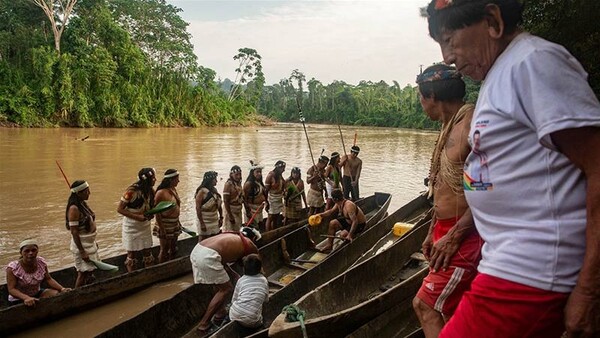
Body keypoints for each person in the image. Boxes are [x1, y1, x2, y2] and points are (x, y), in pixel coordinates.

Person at [426, 1, 600, 337]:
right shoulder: (501, 73)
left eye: (449, 40)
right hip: (508, 264)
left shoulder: (533, 62)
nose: (447, 57)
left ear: (492, 20)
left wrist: (590, 289)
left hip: (533, 273)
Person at [411, 64, 482, 338]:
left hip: (464, 234)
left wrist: (453, 237)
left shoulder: (471, 128)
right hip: (445, 230)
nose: (421, 104)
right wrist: (432, 231)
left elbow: (485, 194)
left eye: (420, 97)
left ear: (432, 96)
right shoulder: (447, 128)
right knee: (452, 309)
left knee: (424, 305)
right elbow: (442, 187)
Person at [190, 227, 261, 336]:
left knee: (219, 284)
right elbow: (258, 266)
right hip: (208, 256)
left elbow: (222, 260)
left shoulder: (232, 237)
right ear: (254, 238)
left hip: (197, 251)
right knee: (226, 289)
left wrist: (233, 273)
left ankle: (220, 313)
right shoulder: (250, 244)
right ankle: (204, 324)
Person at [6, 239, 71, 306]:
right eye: (27, 251)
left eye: (33, 250)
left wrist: (62, 288)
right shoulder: (13, 268)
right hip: (19, 298)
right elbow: (11, 289)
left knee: (56, 294)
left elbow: (48, 279)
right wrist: (26, 298)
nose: (30, 253)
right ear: (21, 252)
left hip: (37, 292)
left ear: (37, 251)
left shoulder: (41, 262)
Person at [117, 167, 156, 272]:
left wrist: (152, 214)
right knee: (131, 254)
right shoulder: (131, 191)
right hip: (131, 225)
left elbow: (152, 207)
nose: (155, 180)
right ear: (147, 180)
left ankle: (149, 274)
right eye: (153, 178)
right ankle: (132, 276)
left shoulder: (151, 191)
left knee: (147, 251)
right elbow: (120, 209)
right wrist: (137, 217)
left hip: (144, 224)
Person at [66, 180, 98, 288]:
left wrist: (94, 242)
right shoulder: (74, 209)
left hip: (89, 243)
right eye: (86, 191)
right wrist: (82, 251)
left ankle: (87, 290)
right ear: (79, 193)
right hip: (82, 245)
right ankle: (76, 295)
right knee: (82, 273)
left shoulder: (82, 204)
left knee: (89, 271)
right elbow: (74, 231)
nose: (89, 193)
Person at [229, 253, 269, 336]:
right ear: (260, 268)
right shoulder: (264, 280)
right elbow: (266, 300)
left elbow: (233, 300)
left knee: (236, 308)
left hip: (234, 315)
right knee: (260, 319)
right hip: (252, 321)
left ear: (244, 268)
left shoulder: (241, 280)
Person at [153, 169, 182, 263]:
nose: (178, 181)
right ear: (171, 180)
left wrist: (178, 222)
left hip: (175, 223)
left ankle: (171, 264)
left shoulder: (173, 189)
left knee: (174, 247)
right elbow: (157, 212)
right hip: (165, 224)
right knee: (164, 249)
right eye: (177, 179)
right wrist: (162, 228)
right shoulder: (160, 193)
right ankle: (161, 268)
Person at [195, 171, 223, 241]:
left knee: (214, 239)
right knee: (203, 239)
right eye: (215, 179)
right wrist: (202, 223)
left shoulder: (214, 190)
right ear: (209, 181)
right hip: (205, 220)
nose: (216, 181)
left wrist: (221, 217)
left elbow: (219, 206)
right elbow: (198, 208)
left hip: (214, 219)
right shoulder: (201, 192)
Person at [243, 161, 267, 229]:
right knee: (253, 228)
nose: (259, 174)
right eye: (257, 172)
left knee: (260, 226)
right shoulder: (248, 184)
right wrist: (248, 212)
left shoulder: (259, 182)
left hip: (259, 210)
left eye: (260, 172)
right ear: (252, 173)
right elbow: (244, 199)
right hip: (252, 210)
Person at [264, 160, 286, 231]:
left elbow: (283, 184)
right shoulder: (270, 176)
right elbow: (265, 191)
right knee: (270, 217)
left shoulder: (279, 175)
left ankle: (274, 230)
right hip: (272, 199)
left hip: (279, 198)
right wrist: (266, 202)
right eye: (282, 168)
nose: (284, 170)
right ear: (278, 168)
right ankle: (268, 232)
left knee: (276, 216)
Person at [223, 165, 244, 232]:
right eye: (236, 175)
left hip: (238, 210)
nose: (238, 176)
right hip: (231, 211)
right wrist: (230, 215)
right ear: (231, 175)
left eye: (239, 174)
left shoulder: (238, 183)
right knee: (230, 230)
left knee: (238, 229)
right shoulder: (228, 185)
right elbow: (226, 201)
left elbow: (242, 197)